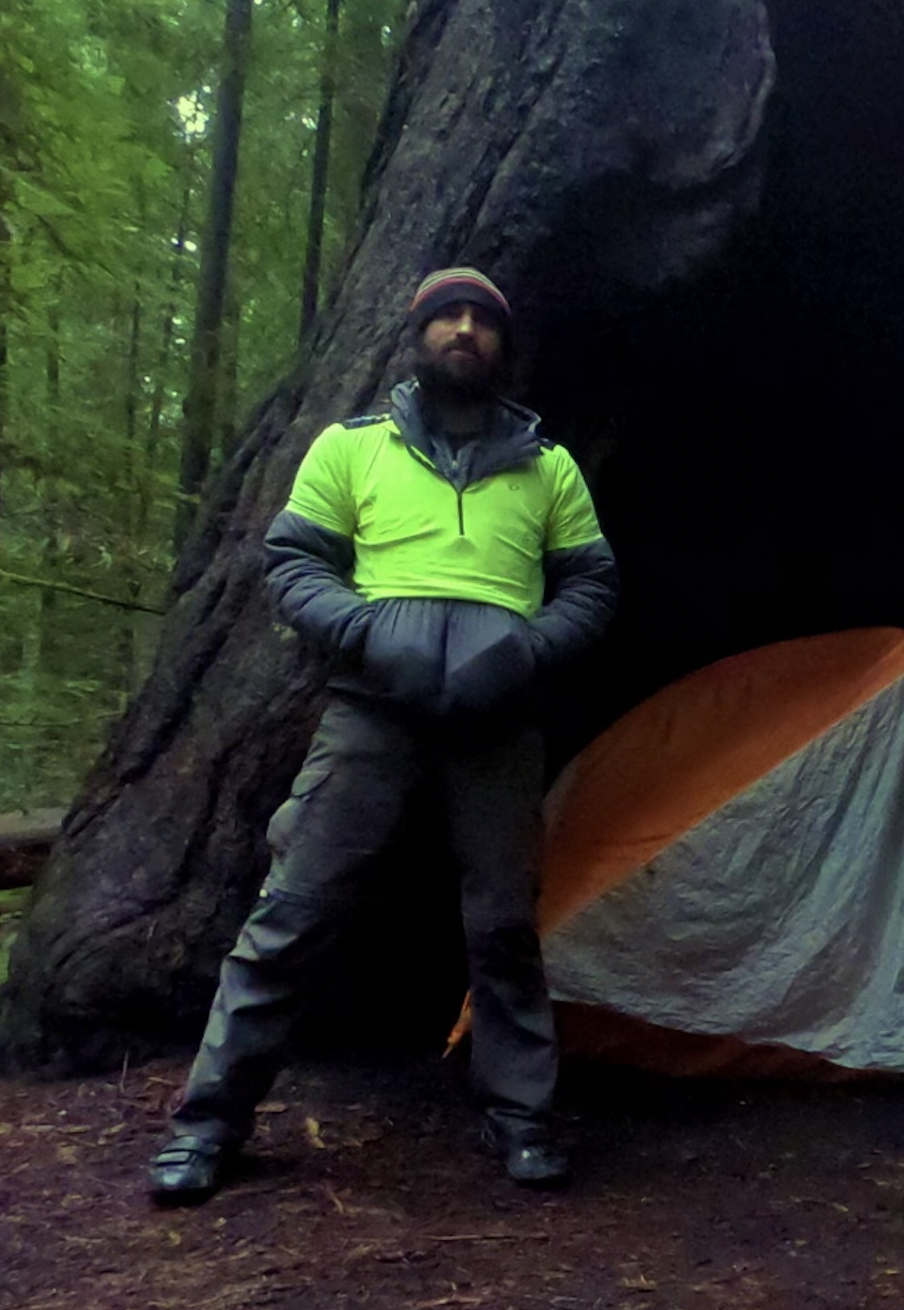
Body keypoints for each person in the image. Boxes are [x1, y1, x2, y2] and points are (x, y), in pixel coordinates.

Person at [146, 266, 617, 1205]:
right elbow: (292, 559)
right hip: (373, 711)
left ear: (501, 344)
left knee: (502, 927)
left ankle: (523, 1118)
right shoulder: (351, 450)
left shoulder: (546, 466)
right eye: (446, 315)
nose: (463, 330)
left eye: (481, 319)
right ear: (416, 337)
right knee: (294, 910)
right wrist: (369, 632)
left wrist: (523, 650)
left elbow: (592, 586)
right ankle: (207, 1127)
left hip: (498, 720)